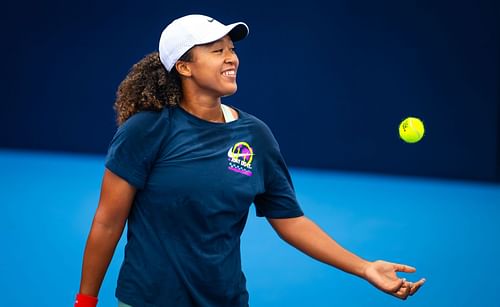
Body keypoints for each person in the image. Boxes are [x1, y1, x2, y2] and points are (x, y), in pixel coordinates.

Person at [75, 14, 425, 307]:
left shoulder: (255, 135)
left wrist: (364, 268)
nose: (231, 58)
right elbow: (108, 221)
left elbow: (290, 220)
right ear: (184, 66)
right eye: (217, 51)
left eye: (231, 49)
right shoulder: (147, 129)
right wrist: (85, 302)